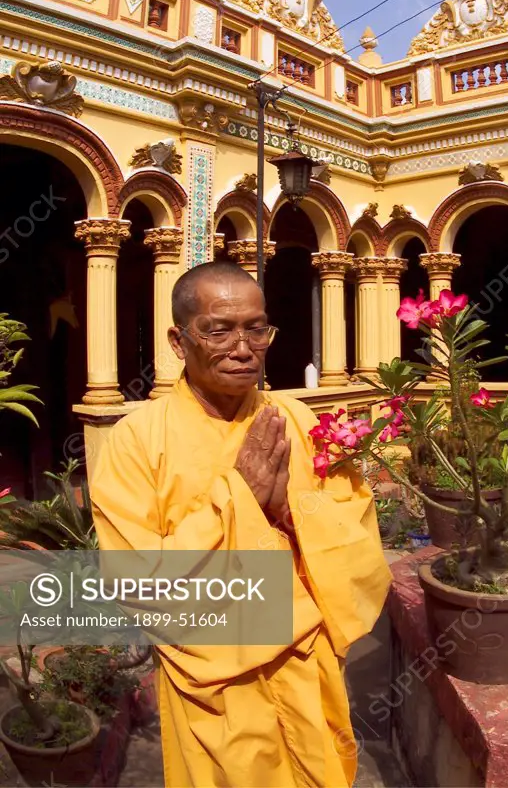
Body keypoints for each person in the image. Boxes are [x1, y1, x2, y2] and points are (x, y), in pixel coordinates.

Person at [89, 260, 391, 788]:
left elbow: (356, 533)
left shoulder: (297, 421)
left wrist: (290, 513)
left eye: (257, 328)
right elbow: (132, 578)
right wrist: (237, 497)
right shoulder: (136, 442)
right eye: (219, 330)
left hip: (304, 659)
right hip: (211, 679)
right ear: (179, 342)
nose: (244, 347)